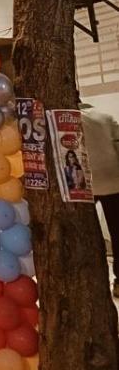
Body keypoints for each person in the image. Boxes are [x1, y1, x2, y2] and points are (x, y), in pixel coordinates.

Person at [82, 103, 119, 294]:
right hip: (114, 182)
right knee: (117, 233)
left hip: (85, 186)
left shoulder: (70, 119)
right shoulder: (105, 117)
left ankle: (92, 281)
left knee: (87, 233)